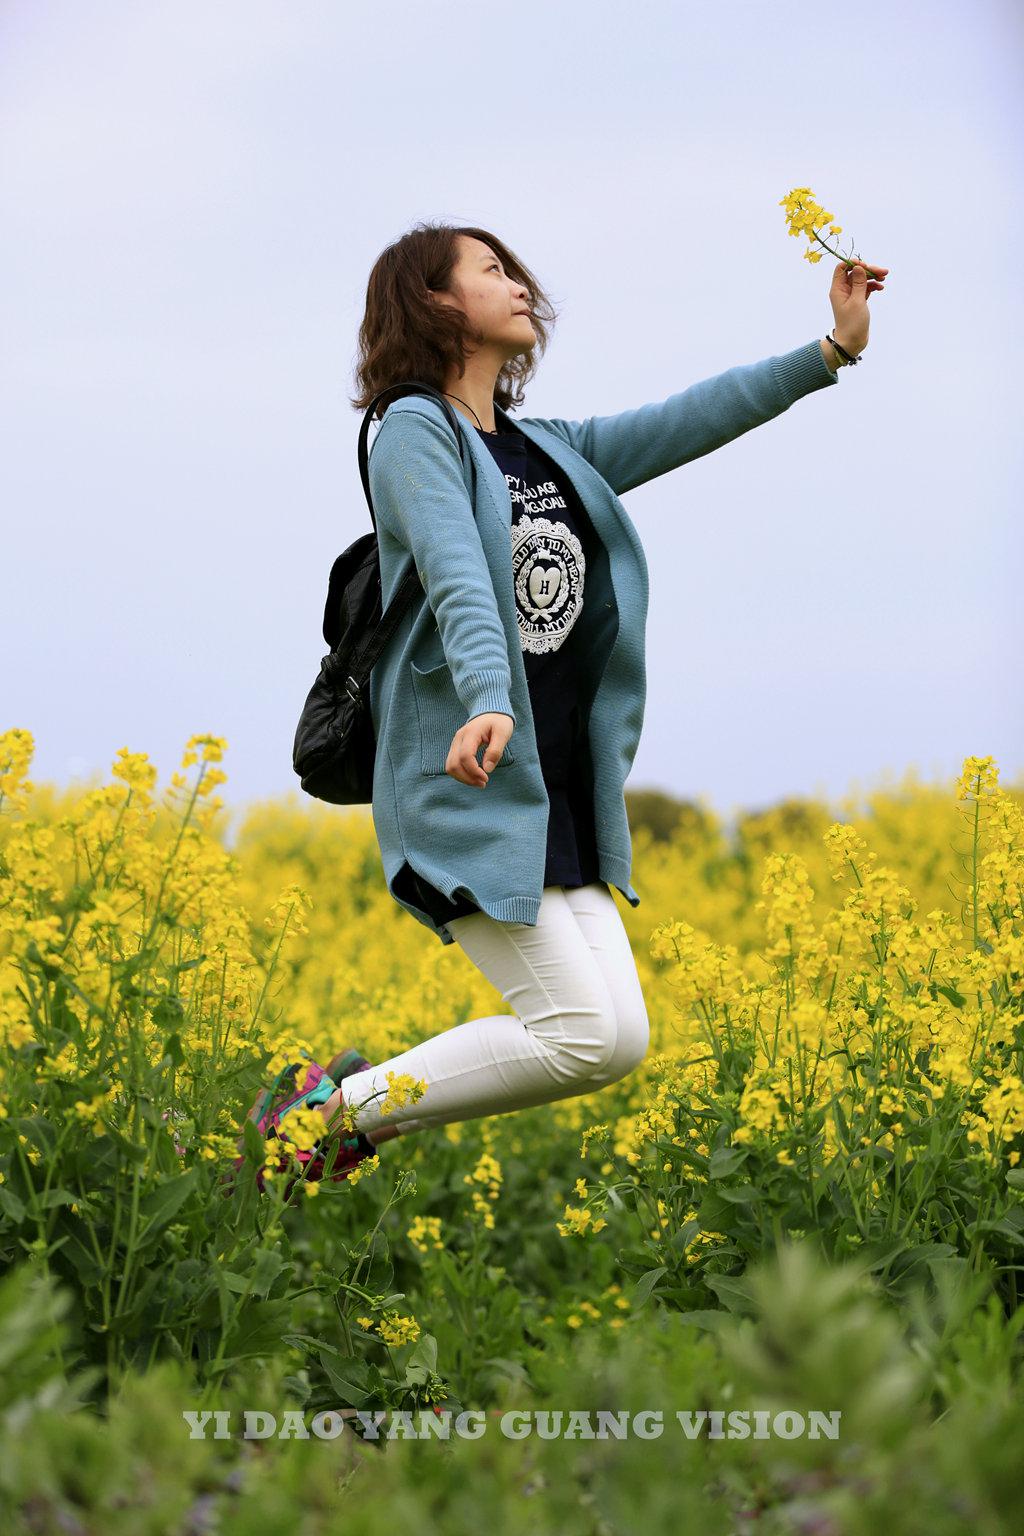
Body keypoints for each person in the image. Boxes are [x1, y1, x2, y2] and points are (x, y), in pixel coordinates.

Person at [243, 221, 887, 1187]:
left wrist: (829, 350)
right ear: (433, 302)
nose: (518, 284)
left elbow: (686, 419)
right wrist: (488, 694)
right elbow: (458, 573)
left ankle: (330, 1116)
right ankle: (324, 1120)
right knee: (581, 1033)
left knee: (615, 1040)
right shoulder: (413, 431)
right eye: (489, 270)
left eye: (512, 269)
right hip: (468, 777)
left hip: (551, 787)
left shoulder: (545, 448)